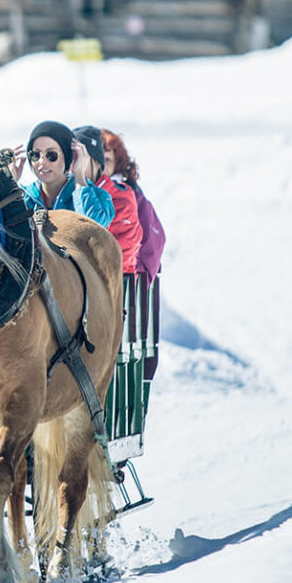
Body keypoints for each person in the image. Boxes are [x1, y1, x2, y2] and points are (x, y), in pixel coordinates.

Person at [101, 127, 166, 401]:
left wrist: (131, 271)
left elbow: (151, 242)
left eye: (108, 153)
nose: (102, 158)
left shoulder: (129, 195)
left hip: (127, 286)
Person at [15, 119, 114, 227]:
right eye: (35, 155)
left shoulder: (99, 197)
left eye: (51, 155)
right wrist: (9, 183)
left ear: (67, 157)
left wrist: (80, 177)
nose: (42, 162)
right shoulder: (24, 198)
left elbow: (95, 230)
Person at [73, 125, 143, 274]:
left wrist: (81, 182)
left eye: (80, 158)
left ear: (97, 162)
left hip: (115, 284)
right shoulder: (70, 190)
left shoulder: (122, 197)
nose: (74, 165)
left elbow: (93, 234)